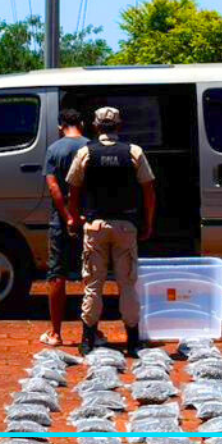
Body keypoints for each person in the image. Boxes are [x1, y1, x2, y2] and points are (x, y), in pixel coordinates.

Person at [64, 105, 157, 353]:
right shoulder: (134, 152)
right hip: (126, 226)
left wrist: (74, 219)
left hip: (94, 225)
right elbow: (149, 191)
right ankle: (133, 342)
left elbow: (73, 190)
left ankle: (87, 341)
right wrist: (147, 222)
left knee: (93, 284)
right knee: (127, 284)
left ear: (95, 126)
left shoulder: (85, 153)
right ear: (119, 126)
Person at [40, 107, 90, 346]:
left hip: (60, 222)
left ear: (61, 126)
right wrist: (79, 215)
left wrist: (67, 215)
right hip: (88, 220)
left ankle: (56, 333)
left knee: (57, 274)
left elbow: (53, 188)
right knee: (89, 274)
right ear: (81, 122)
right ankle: (91, 332)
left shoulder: (53, 149)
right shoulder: (90, 147)